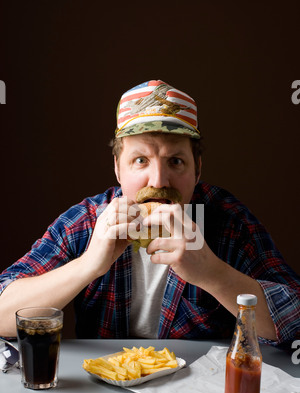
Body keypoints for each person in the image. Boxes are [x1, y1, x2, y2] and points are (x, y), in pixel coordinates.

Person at [0, 79, 299, 347]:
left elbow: (294, 321)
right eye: (141, 160)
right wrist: (88, 265)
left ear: (197, 170)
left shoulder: (227, 221)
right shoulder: (87, 221)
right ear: (118, 168)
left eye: (176, 162)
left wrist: (213, 273)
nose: (158, 181)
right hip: (104, 392)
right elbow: (3, 314)